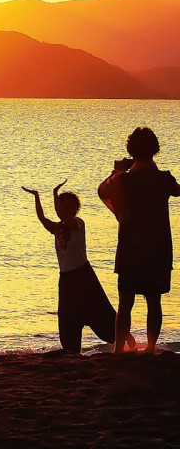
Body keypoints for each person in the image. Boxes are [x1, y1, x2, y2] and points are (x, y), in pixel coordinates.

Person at [22, 181, 134, 353]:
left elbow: (64, 216)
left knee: (102, 311)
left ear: (76, 209)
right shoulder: (57, 227)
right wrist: (37, 197)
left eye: (72, 207)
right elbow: (42, 219)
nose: (68, 210)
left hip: (84, 276)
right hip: (66, 279)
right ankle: (72, 349)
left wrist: (54, 194)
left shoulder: (78, 223)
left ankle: (126, 337)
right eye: (65, 207)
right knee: (68, 317)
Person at [98, 127, 180, 354]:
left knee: (125, 301)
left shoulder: (122, 180)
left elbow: (102, 190)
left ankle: (118, 351)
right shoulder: (164, 179)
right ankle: (151, 348)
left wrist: (116, 169)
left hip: (131, 248)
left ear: (130, 150)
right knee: (154, 301)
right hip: (158, 247)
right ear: (155, 149)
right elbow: (177, 190)